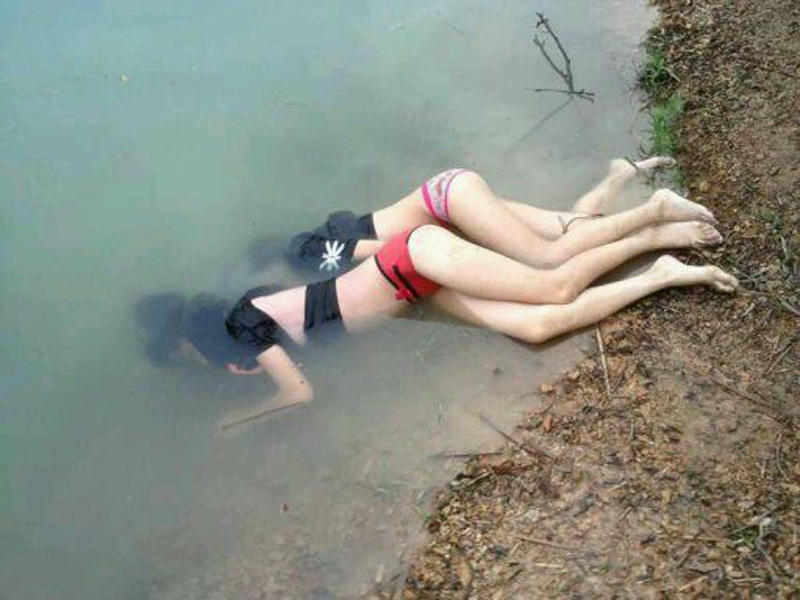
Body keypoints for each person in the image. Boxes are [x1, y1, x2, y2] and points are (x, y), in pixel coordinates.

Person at [136, 158, 738, 430]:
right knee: (537, 321)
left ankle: (655, 217)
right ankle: (661, 268)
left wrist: (238, 419)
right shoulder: (273, 303)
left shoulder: (249, 317)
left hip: (417, 257)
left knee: (554, 272)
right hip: (413, 281)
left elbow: (298, 392)